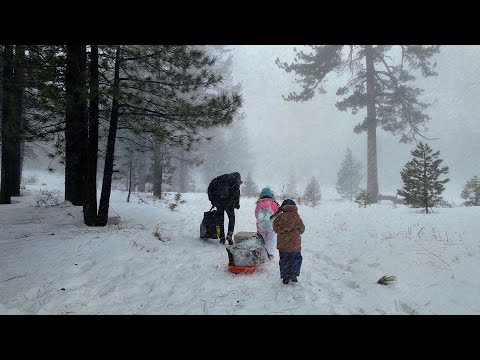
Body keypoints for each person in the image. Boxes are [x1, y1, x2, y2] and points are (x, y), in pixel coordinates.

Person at [272, 199, 305, 284]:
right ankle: (294, 274)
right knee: (296, 259)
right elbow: (302, 230)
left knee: (284, 260)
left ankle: (285, 277)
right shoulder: (297, 217)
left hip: (283, 245)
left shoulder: (279, 217)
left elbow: (275, 229)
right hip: (295, 245)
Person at [207, 172, 242, 245]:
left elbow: (210, 189)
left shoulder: (218, 179)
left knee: (220, 221)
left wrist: (213, 201)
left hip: (219, 203)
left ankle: (221, 237)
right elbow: (236, 193)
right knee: (231, 218)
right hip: (229, 204)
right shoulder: (234, 181)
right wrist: (236, 203)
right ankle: (229, 234)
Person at [254, 187, 279, 260]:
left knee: (262, 239)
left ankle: (261, 253)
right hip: (270, 225)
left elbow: (256, 214)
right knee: (271, 239)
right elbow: (277, 214)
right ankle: (270, 254)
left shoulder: (258, 204)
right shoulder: (273, 203)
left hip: (261, 225)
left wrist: (261, 219)